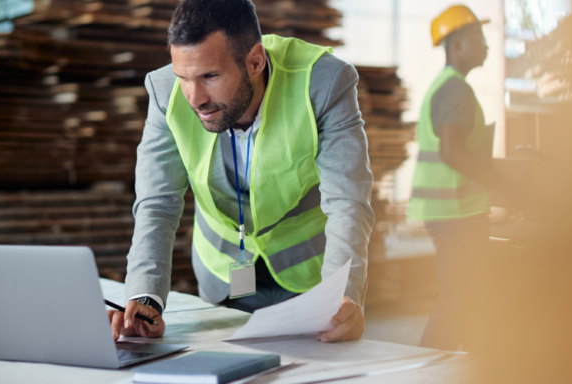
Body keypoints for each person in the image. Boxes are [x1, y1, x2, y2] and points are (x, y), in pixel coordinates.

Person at [107, 0, 374, 344]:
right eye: (183, 78)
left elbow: (348, 201)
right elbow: (157, 203)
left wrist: (342, 294)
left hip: (310, 277)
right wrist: (145, 296)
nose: (195, 98)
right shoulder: (164, 93)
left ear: (255, 61)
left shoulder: (323, 83)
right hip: (221, 275)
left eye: (210, 77)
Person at [408, 5, 524, 350]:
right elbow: (452, 152)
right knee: (458, 301)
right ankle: (422, 372)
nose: (487, 47)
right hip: (455, 214)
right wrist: (507, 186)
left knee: (469, 298)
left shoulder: (448, 87)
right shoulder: (454, 89)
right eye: (479, 39)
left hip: (455, 213)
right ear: (457, 45)